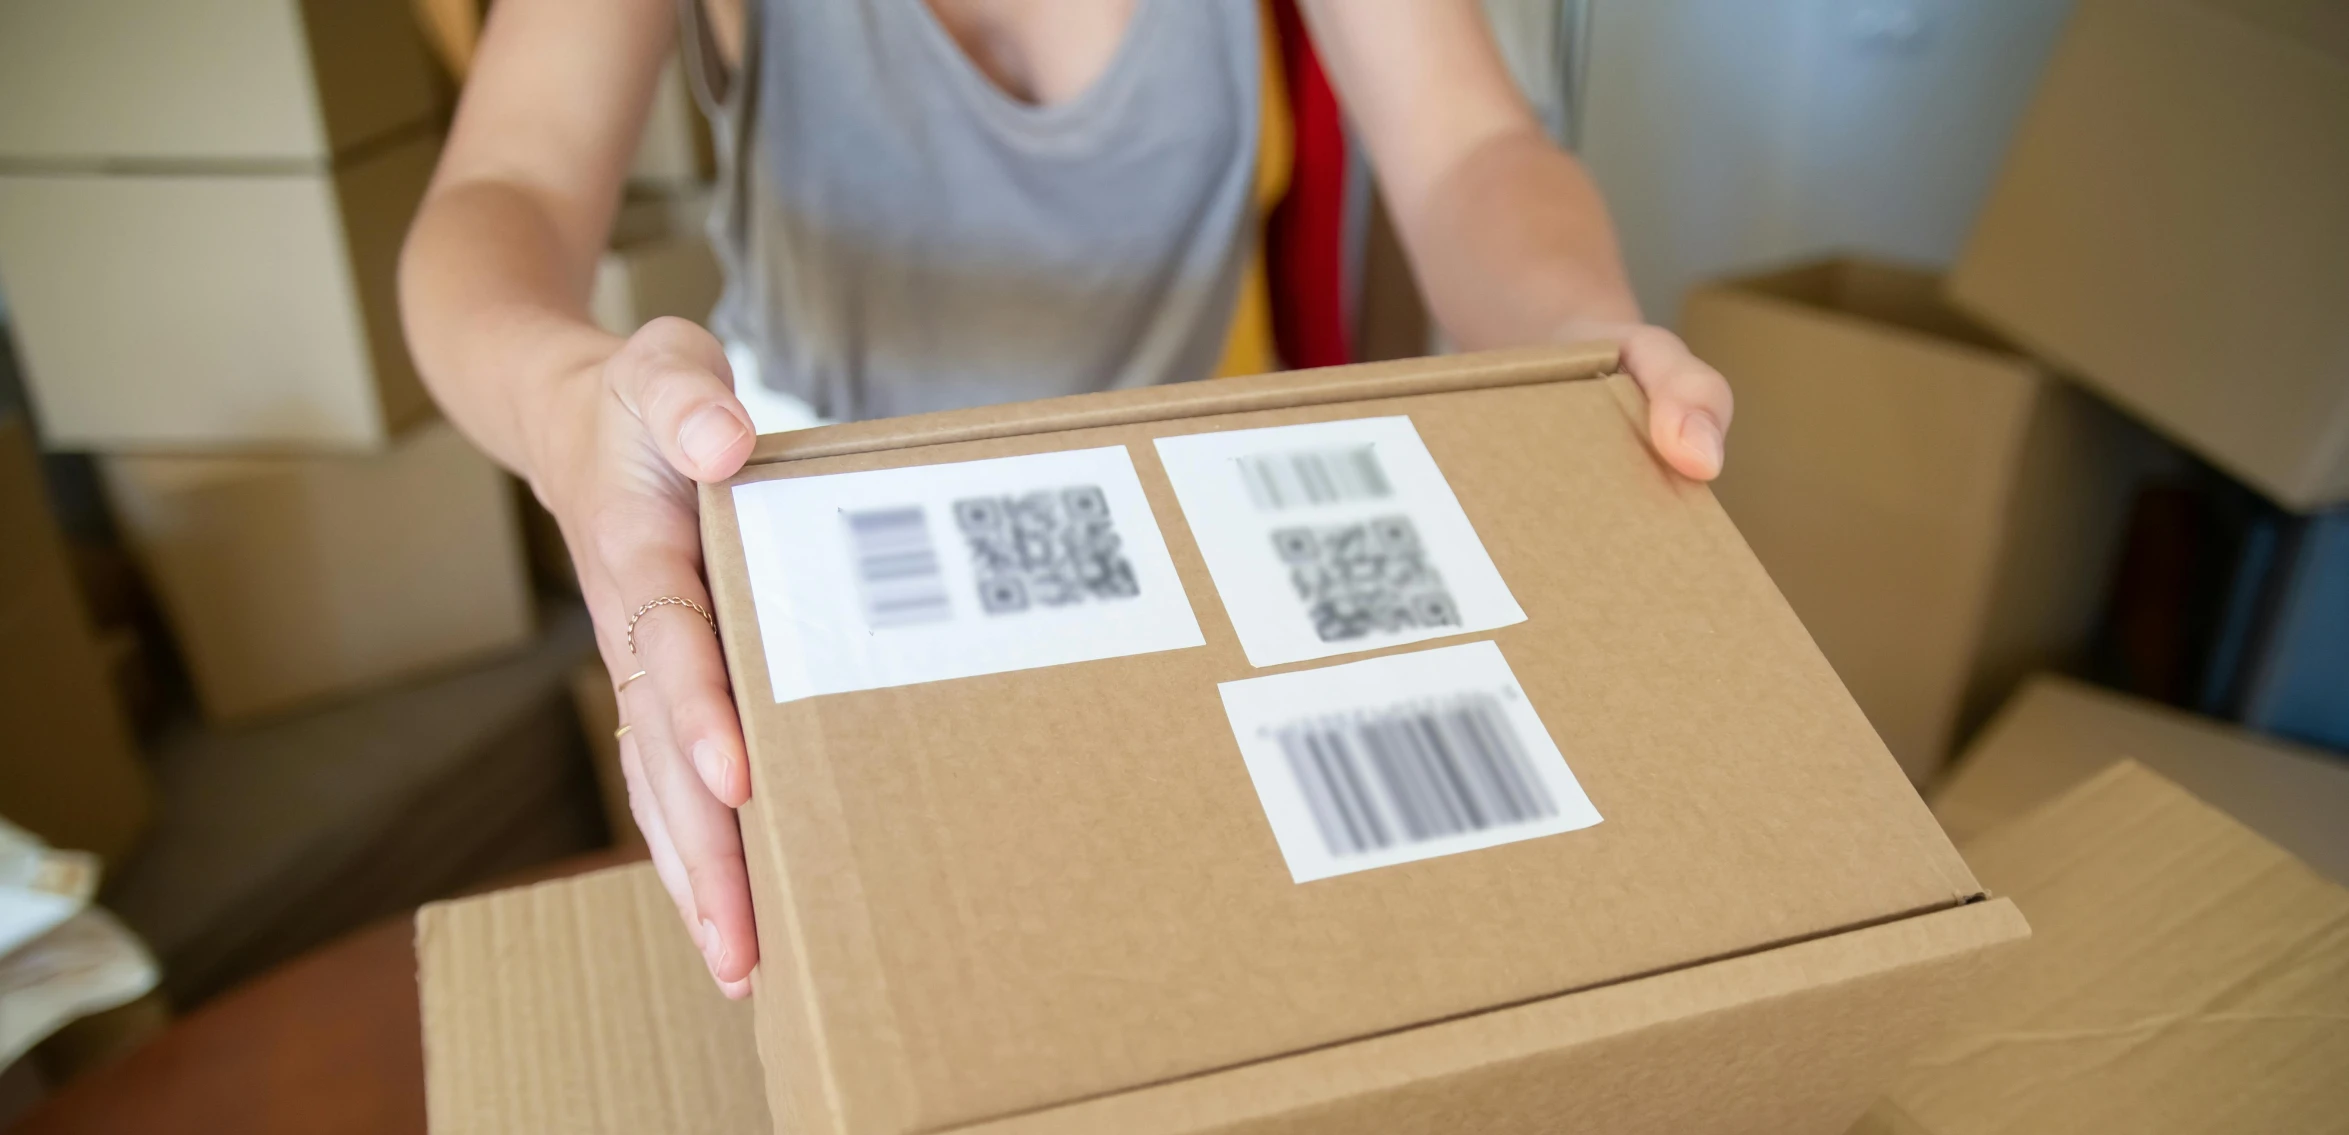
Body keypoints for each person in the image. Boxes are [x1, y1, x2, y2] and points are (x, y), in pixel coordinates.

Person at [399, 0, 1734, 998]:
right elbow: (501, 195)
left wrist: (1584, 340)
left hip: (1197, 575)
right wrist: (568, 402)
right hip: (842, 614)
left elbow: (1472, 152)